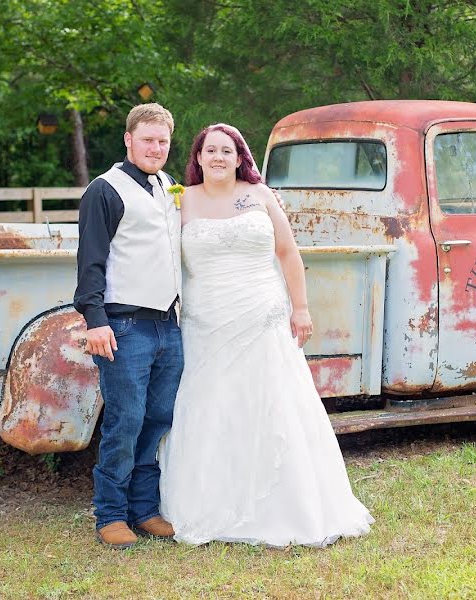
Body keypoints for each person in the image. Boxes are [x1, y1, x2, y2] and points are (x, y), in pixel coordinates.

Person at [159, 124, 374, 547]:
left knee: (273, 403)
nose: (218, 157)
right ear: (198, 158)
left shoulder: (261, 195)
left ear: (240, 157)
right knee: (213, 406)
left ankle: (287, 505)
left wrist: (302, 307)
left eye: (226, 150)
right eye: (210, 150)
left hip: (262, 316)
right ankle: (209, 502)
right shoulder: (180, 201)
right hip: (207, 323)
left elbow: (287, 252)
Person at [74, 103, 183, 548]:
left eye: (162, 141)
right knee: (125, 420)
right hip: (124, 326)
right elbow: (90, 264)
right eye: (148, 140)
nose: (156, 148)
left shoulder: (169, 186)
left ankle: (145, 509)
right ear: (128, 140)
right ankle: (111, 514)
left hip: (168, 326)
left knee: (158, 419)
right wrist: (95, 321)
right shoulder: (105, 190)